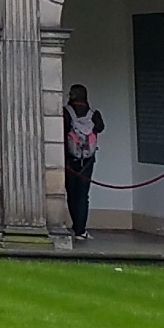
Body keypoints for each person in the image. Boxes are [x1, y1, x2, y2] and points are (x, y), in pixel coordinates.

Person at [62, 84, 105, 244]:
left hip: (69, 160)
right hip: (87, 161)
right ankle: (80, 230)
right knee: (83, 195)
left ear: (72, 96)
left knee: (71, 194)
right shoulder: (94, 114)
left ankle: (76, 226)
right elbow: (100, 127)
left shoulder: (65, 112)